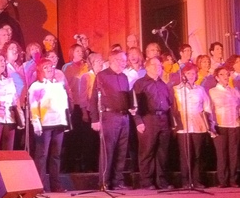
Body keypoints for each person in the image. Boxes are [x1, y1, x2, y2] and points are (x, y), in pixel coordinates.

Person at [90, 49, 133, 190]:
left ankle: (117, 181)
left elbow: (126, 96)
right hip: (109, 117)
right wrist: (95, 119)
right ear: (113, 60)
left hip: (124, 117)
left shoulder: (124, 77)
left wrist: (131, 107)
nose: (124, 63)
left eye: (125, 61)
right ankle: (104, 182)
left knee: (121, 151)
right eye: (122, 60)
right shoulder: (102, 76)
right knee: (107, 151)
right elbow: (94, 99)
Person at [172, 63, 216, 189]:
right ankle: (186, 181)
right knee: (185, 154)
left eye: (193, 73)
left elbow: (207, 107)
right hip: (183, 126)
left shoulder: (200, 89)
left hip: (198, 125)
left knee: (198, 154)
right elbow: (173, 108)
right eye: (188, 73)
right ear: (183, 75)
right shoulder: (177, 89)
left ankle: (197, 180)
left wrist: (210, 124)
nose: (191, 76)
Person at [133, 57, 174, 190]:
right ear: (148, 67)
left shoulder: (163, 84)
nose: (158, 67)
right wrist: (138, 122)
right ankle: (147, 181)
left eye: (159, 65)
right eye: (154, 65)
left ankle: (161, 181)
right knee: (147, 151)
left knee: (162, 152)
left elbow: (169, 104)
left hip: (163, 119)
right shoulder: (140, 83)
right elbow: (134, 105)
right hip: (148, 118)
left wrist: (171, 122)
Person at [29, 58, 69, 193]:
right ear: (40, 71)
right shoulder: (36, 86)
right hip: (44, 124)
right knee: (42, 155)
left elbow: (64, 104)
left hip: (59, 123)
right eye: (46, 68)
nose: (50, 69)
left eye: (51, 67)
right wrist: (36, 122)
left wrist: (66, 122)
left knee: (56, 155)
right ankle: (39, 185)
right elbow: (34, 105)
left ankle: (56, 185)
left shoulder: (59, 85)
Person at [209, 66, 240, 188]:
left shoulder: (234, 91)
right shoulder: (212, 91)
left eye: (227, 74)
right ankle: (222, 180)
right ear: (217, 77)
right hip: (220, 125)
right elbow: (209, 110)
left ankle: (233, 179)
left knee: (233, 154)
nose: (226, 76)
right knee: (221, 154)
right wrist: (211, 126)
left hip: (234, 125)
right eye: (222, 74)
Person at [62, 43, 89, 172]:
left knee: (84, 136)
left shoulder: (86, 67)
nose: (80, 53)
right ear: (72, 52)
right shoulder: (67, 68)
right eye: (77, 51)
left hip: (85, 105)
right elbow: (65, 87)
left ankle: (84, 164)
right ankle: (70, 165)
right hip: (72, 105)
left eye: (81, 51)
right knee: (72, 136)